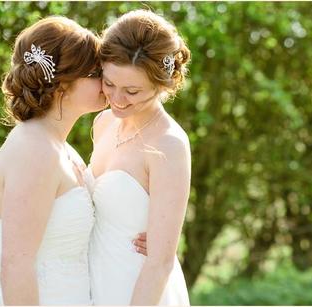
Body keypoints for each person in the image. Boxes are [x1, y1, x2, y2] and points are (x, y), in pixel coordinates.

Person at [0, 16, 146, 306]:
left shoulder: (60, 147)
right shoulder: (33, 149)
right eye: (96, 72)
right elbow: (16, 266)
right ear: (63, 83)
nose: (106, 81)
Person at [87, 9, 191, 305]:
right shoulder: (103, 123)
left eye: (132, 91)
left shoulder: (169, 144)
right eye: (109, 84)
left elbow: (160, 263)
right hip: (95, 281)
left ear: (162, 85)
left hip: (138, 289)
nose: (117, 100)